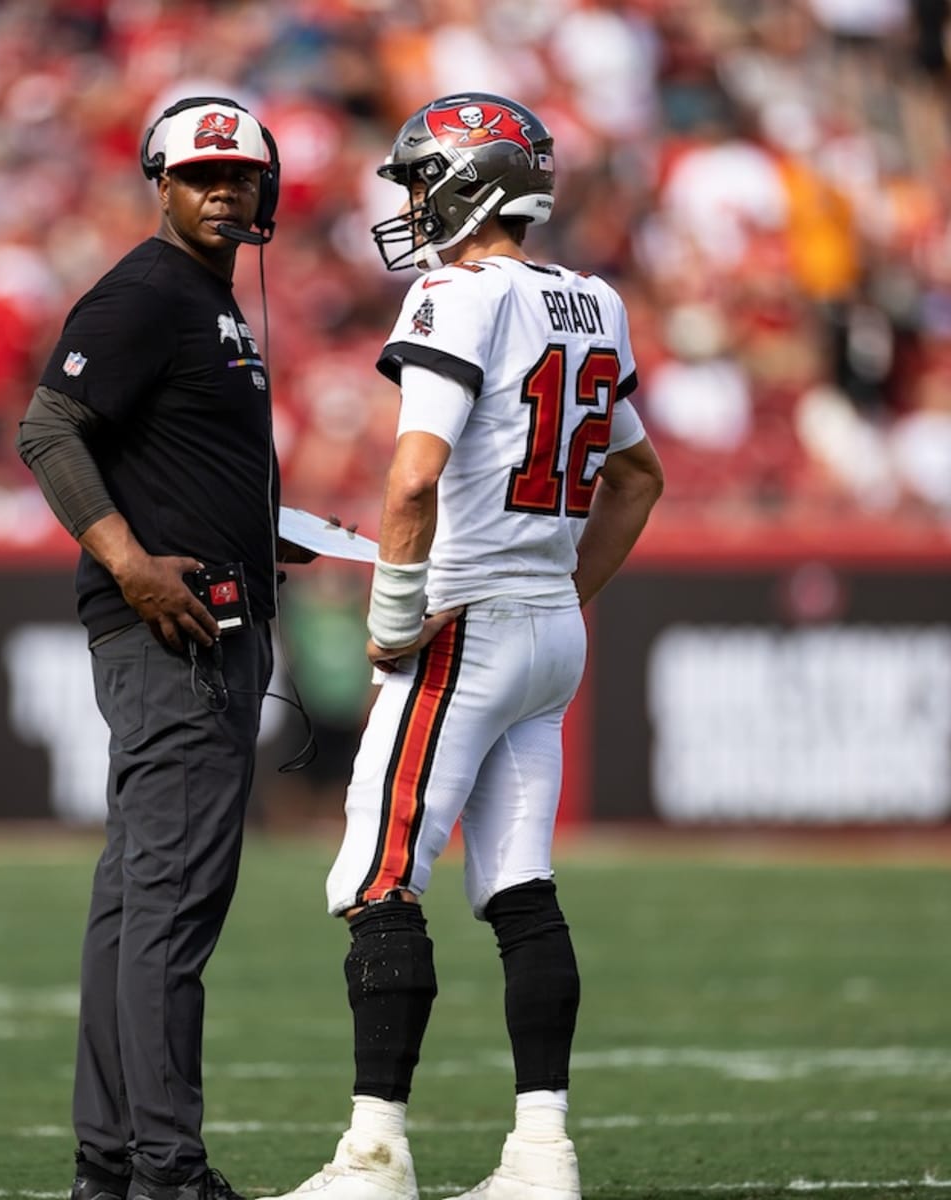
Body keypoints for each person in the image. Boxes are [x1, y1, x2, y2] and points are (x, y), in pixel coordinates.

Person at [265, 93, 664, 1200]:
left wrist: (395, 613)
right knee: (522, 888)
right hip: (545, 630)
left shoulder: (455, 290)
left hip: (467, 623)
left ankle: (375, 1155)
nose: (406, 200)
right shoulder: (596, 300)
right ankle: (543, 1156)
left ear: (470, 181)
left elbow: (412, 476)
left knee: (379, 879)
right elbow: (639, 479)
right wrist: (564, 592)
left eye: (418, 177)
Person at [16, 96, 307, 1200]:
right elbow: (49, 428)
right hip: (174, 634)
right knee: (172, 908)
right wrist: (131, 561)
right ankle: (166, 1173)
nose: (225, 192)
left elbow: (170, 454)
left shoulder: (206, 301)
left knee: (137, 905)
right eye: (202, 177)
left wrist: (264, 531)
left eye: (241, 177)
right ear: (162, 183)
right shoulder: (148, 290)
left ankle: (112, 1164)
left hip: (208, 619)